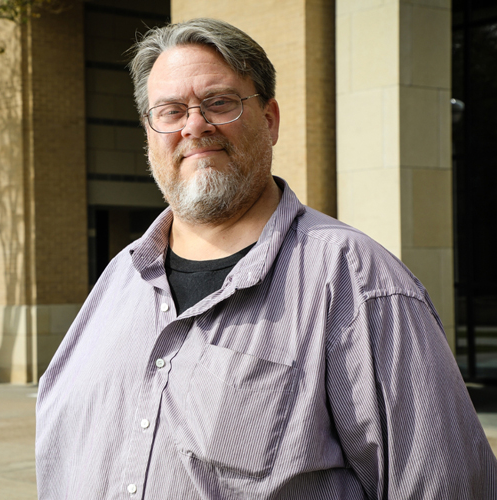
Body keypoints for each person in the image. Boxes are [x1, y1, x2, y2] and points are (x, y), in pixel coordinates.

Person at [35, 18, 497, 499]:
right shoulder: (117, 282)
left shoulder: (357, 281)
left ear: (270, 120)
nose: (195, 125)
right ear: (150, 134)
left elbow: (447, 486)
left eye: (219, 103)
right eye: (170, 111)